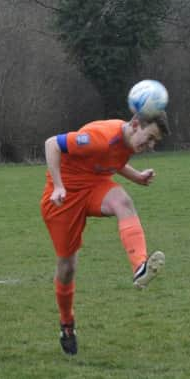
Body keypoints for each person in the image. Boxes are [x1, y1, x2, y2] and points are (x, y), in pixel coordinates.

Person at [41, 111, 170, 356]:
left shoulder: (129, 141)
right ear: (134, 124)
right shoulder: (98, 137)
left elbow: (113, 161)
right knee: (67, 267)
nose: (150, 146)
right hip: (63, 198)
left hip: (94, 187)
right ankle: (67, 324)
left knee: (123, 201)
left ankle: (139, 267)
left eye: (155, 142)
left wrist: (137, 177)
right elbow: (51, 144)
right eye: (150, 138)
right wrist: (58, 185)